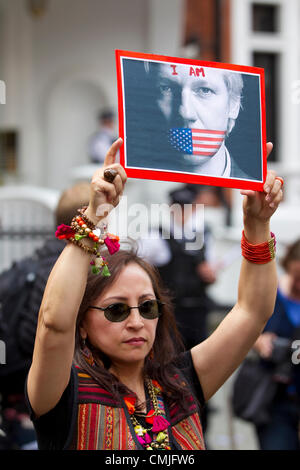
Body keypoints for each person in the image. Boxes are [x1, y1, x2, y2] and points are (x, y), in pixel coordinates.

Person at [25, 138, 283, 450]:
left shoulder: (181, 381)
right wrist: (95, 213)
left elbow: (252, 312)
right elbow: (53, 323)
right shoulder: (63, 392)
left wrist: (257, 223)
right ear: (82, 322)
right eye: (116, 310)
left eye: (148, 307)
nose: (136, 321)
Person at [0, 182, 90, 450]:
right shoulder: (69, 272)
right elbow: (37, 337)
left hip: (17, 408)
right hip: (54, 409)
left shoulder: (29, 263)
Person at [154, 62, 246, 177]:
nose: (186, 113)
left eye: (204, 90)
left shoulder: (253, 194)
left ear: (233, 105)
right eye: (166, 89)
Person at [252, 239, 300, 450]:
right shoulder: (273, 294)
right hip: (275, 395)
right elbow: (249, 328)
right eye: (297, 277)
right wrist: (259, 341)